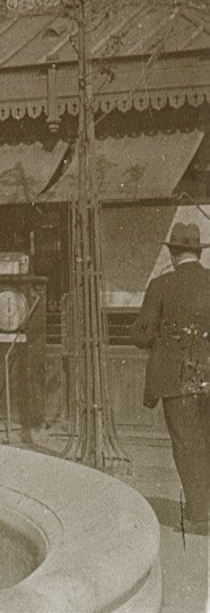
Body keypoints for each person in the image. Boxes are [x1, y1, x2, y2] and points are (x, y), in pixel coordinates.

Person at [131, 221, 210, 536]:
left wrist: (157, 337)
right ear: (197, 251)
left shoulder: (161, 285)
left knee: (186, 443)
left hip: (178, 379)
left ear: (175, 252)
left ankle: (200, 514)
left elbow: (143, 333)